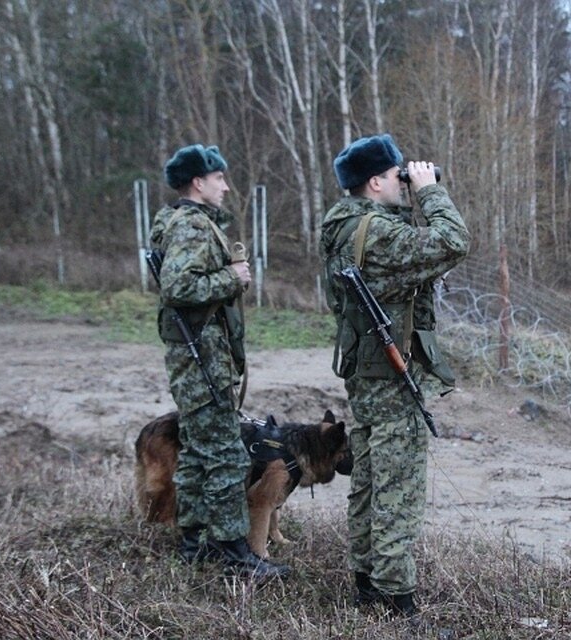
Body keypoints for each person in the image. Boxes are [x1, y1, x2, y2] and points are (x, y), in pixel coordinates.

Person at [319, 134, 470, 616]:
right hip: (391, 378)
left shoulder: (344, 226)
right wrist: (430, 192)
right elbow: (454, 240)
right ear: (376, 181)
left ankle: (366, 585)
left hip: (366, 376)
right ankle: (395, 600)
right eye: (399, 175)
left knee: (368, 483)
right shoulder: (376, 232)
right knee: (397, 490)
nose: (405, 182)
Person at [150, 143, 287, 580]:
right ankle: (233, 552)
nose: (226, 186)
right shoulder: (191, 226)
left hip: (196, 359)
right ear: (198, 182)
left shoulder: (180, 221)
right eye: (219, 178)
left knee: (195, 453)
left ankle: (194, 542)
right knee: (227, 455)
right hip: (202, 359)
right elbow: (177, 287)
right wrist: (232, 277)